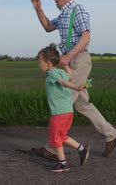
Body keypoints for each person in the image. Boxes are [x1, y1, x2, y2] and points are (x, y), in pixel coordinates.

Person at [31, 0, 116, 160]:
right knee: (82, 104)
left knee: (62, 100)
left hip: (78, 61)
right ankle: (112, 134)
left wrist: (68, 56)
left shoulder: (77, 10)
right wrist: (38, 9)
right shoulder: (64, 14)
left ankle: (51, 148)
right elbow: (48, 27)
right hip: (70, 62)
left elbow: (86, 36)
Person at [38, 43, 90, 173]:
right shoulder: (60, 71)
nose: (39, 64)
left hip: (59, 113)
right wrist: (66, 66)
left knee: (55, 137)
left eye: (40, 62)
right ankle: (81, 148)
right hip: (67, 111)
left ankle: (63, 163)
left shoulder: (51, 74)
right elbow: (71, 77)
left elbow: (63, 82)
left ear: (49, 64)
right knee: (61, 136)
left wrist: (76, 88)